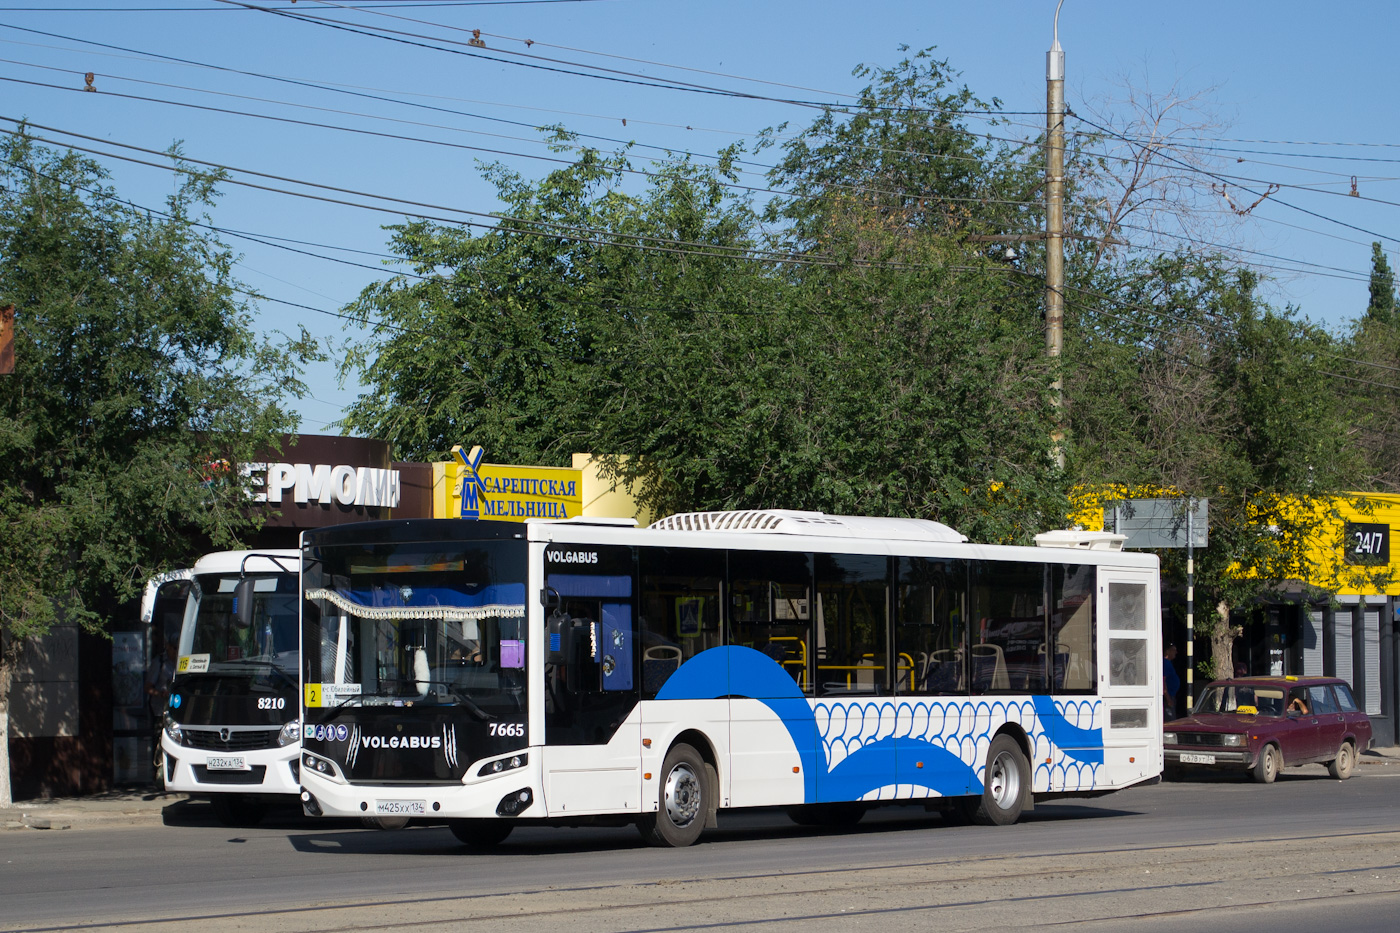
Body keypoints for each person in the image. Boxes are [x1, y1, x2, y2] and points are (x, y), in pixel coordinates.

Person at [1162, 644, 1181, 720]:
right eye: (1173, 650)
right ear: (1167, 651)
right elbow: (1163, 680)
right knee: (1170, 719)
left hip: (1171, 695)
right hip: (1168, 697)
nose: (1176, 652)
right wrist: (1168, 698)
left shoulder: (1168, 663)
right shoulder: (1165, 663)